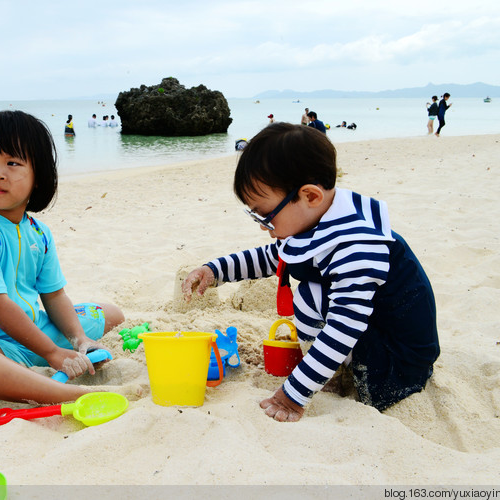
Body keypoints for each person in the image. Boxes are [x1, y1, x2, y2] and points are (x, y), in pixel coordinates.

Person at [181, 122, 439, 422]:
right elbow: (274, 257)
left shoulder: (356, 244)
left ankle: (326, 377)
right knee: (312, 290)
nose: (264, 227)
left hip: (397, 364)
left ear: (310, 196)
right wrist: (215, 271)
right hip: (373, 337)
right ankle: (327, 371)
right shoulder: (321, 218)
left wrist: (294, 395)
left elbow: (345, 326)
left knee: (309, 295)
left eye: (265, 216)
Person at [0, 110, 125, 404]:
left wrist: (80, 341)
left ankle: (38, 368)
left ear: (38, 176)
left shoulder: (39, 233)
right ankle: (62, 393)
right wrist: (53, 354)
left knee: (111, 313)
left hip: (35, 332)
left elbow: (53, 297)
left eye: (12, 163)